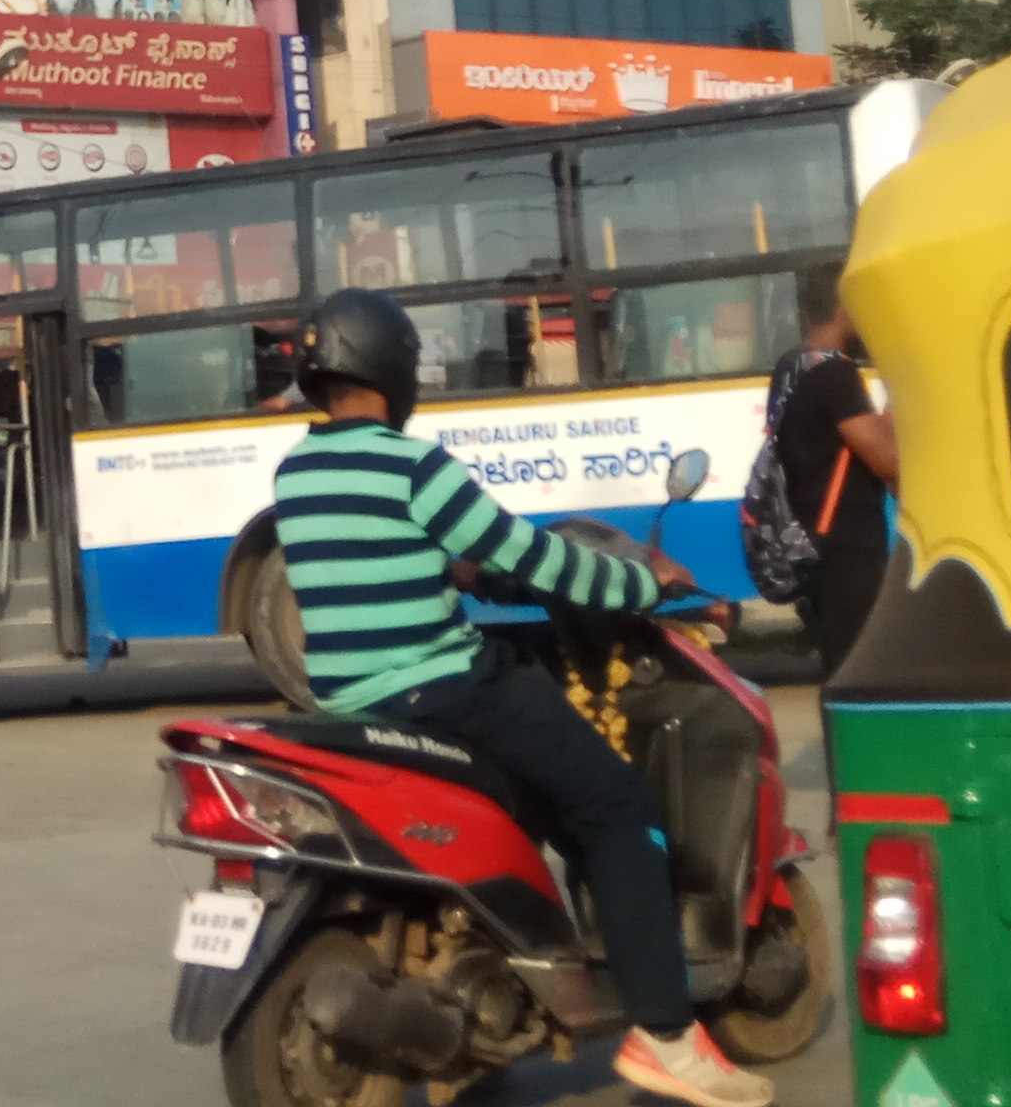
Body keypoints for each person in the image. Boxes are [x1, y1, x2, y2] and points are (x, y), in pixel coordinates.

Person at [269, 290, 771, 1107]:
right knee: (616, 806)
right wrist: (646, 580)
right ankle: (666, 1036)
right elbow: (535, 560)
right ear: (394, 370)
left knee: (541, 758)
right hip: (441, 689)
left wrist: (458, 570)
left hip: (352, 701)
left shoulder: (297, 471)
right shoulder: (412, 466)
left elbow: (411, 563)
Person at [768, 301, 901, 679]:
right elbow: (888, 460)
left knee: (837, 664)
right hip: (847, 544)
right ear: (845, 310)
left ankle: (839, 736)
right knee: (858, 667)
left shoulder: (790, 365)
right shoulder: (835, 372)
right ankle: (856, 739)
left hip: (810, 535)